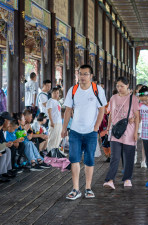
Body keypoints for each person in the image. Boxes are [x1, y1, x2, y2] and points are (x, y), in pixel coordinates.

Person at [62, 64, 107, 200]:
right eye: (80, 74)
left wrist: (96, 127)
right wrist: (64, 128)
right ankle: (75, 189)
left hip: (90, 132)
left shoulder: (97, 90)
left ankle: (88, 188)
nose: (82, 77)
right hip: (75, 131)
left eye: (85, 74)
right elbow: (68, 110)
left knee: (89, 160)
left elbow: (102, 109)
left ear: (91, 76)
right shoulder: (73, 90)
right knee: (74, 159)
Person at [103, 77, 139, 190]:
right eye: (117, 86)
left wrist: (136, 132)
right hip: (115, 131)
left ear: (127, 85)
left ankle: (127, 178)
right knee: (114, 157)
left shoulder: (133, 99)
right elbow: (111, 115)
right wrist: (108, 128)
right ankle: (110, 180)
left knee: (128, 156)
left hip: (129, 131)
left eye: (122, 86)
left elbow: (137, 116)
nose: (119, 88)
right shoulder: (113, 98)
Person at [135, 84, 147, 168]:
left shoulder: (146, 100)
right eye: (140, 89)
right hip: (136, 122)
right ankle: (134, 157)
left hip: (144, 122)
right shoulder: (133, 100)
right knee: (134, 141)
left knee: (144, 143)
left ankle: (143, 161)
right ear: (136, 91)